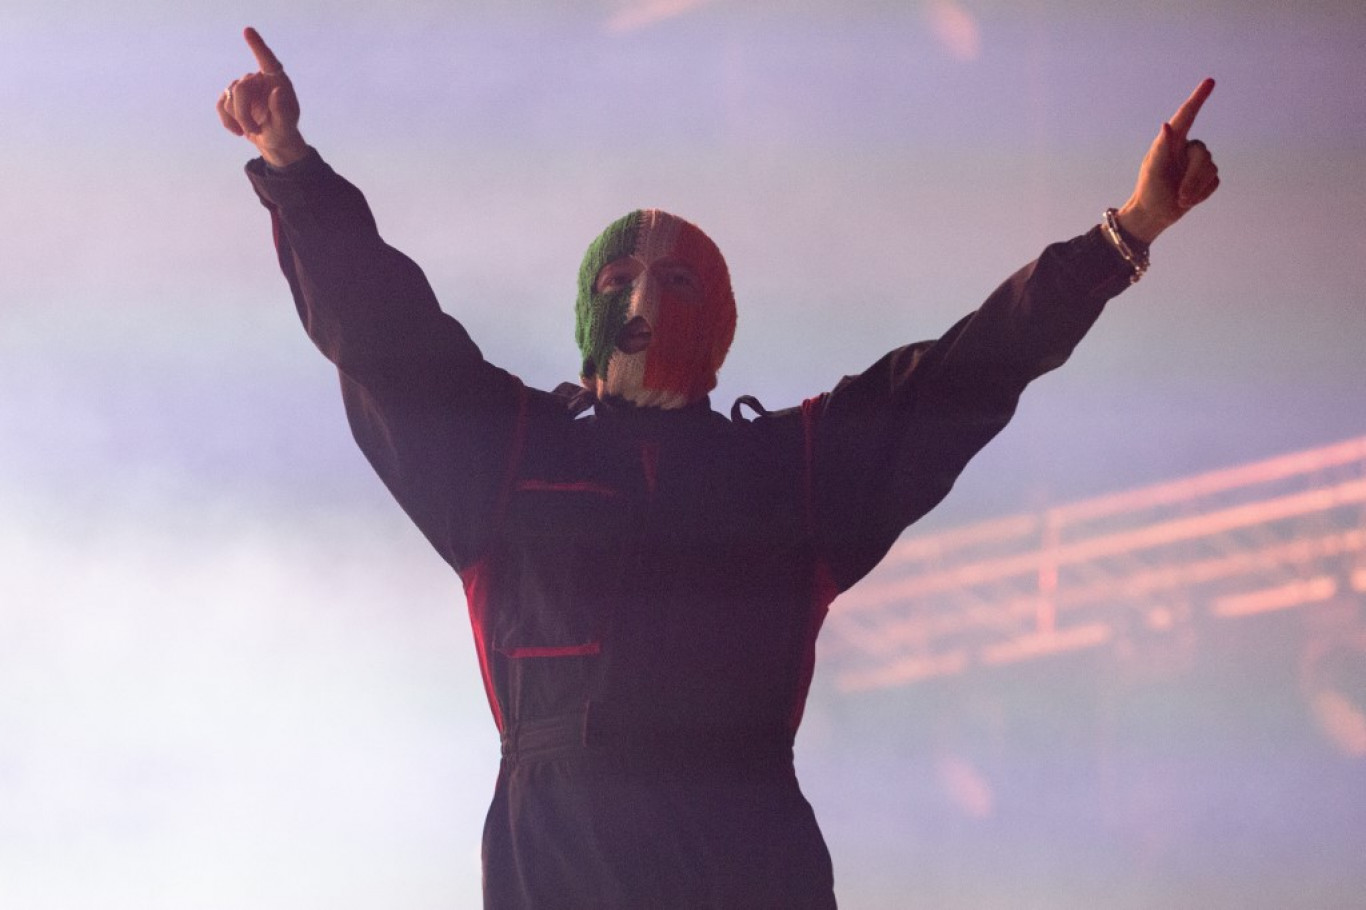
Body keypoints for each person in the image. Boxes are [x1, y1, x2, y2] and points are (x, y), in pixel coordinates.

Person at [218, 26, 1218, 910]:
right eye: (619, 278)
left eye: (677, 279)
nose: (644, 297)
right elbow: (385, 330)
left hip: (743, 848)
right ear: (586, 314)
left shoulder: (796, 468)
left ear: (721, 322)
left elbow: (969, 367)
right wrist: (291, 167)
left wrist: (1126, 233)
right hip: (563, 848)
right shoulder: (511, 454)